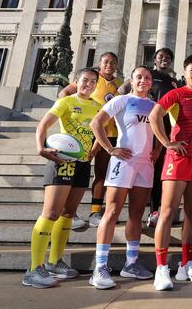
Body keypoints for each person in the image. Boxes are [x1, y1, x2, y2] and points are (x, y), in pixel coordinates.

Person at [22, 68, 103, 288]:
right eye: (85, 80)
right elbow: (43, 125)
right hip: (63, 162)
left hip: (83, 164)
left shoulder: (97, 106)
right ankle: (33, 269)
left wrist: (95, 150)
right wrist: (41, 148)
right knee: (51, 213)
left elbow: (99, 131)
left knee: (68, 213)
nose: (89, 84)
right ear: (76, 81)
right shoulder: (67, 101)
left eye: (93, 81)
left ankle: (54, 261)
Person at [148, 54, 192, 291]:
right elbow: (154, 115)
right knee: (167, 212)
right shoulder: (176, 94)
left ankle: (186, 264)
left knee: (191, 215)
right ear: (185, 72)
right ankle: (161, 268)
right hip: (177, 159)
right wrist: (166, 143)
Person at [88, 66, 159, 289]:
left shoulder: (156, 106)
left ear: (151, 82)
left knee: (136, 215)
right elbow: (96, 123)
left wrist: (157, 149)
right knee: (112, 212)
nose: (143, 81)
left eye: (147, 78)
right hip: (124, 161)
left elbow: (157, 130)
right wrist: (110, 149)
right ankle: (99, 267)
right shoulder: (122, 100)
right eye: (139, 77)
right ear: (132, 80)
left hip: (145, 164)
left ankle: (131, 263)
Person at [58, 52, 123, 230]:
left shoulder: (118, 84)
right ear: (100, 64)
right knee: (76, 170)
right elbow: (65, 92)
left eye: (113, 62)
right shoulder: (91, 79)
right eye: (106, 62)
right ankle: (69, 211)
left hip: (108, 132)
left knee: (101, 172)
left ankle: (95, 211)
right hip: (85, 132)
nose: (109, 65)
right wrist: (69, 114)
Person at [120, 47, 180, 228]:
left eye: (168, 57)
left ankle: (156, 209)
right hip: (145, 126)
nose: (165, 59)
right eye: (161, 56)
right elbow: (122, 90)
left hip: (166, 129)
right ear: (154, 59)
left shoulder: (174, 81)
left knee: (160, 169)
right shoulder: (147, 76)